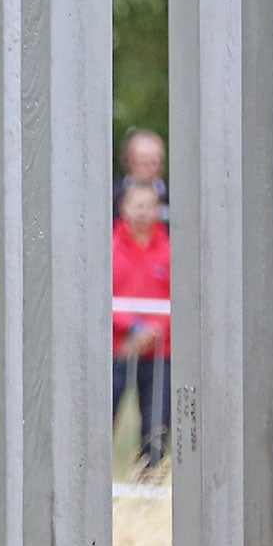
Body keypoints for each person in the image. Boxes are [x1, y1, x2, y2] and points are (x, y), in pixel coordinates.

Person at [111, 181, 172, 472]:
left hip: (161, 354)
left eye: (149, 206)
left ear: (159, 209)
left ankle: (148, 497)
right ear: (123, 207)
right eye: (136, 205)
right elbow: (99, 297)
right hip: (116, 350)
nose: (142, 213)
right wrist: (133, 329)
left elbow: (181, 298)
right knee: (97, 422)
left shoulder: (171, 251)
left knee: (156, 428)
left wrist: (153, 331)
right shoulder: (107, 248)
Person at [112, 127, 170, 227]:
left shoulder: (174, 195)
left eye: (154, 161)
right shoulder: (112, 195)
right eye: (143, 162)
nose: (150, 168)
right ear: (128, 161)